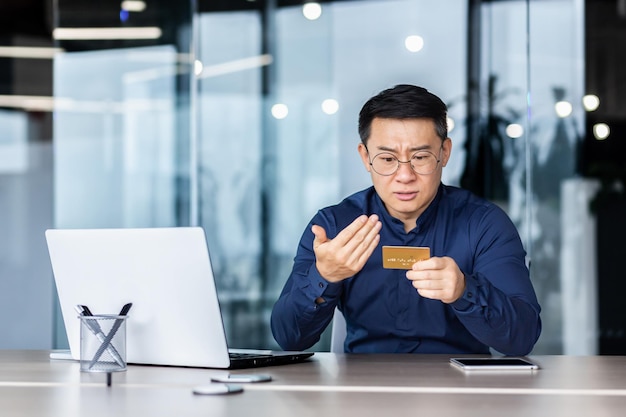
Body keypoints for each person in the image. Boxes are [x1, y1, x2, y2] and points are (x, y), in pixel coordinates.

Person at [270, 84, 541, 356]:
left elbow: (522, 339)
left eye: (420, 157)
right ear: (365, 157)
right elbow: (289, 338)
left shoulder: (483, 225)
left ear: (444, 153)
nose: (404, 175)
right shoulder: (334, 227)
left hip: (460, 390)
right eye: (387, 158)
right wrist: (324, 276)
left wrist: (464, 290)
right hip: (360, 389)